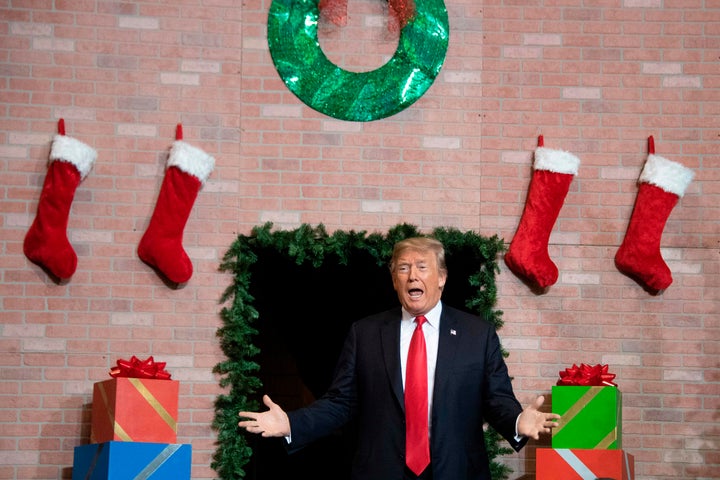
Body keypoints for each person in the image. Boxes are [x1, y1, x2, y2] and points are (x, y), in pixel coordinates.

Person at [239, 236, 561, 479]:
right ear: (394, 280)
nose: (412, 277)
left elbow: (496, 399)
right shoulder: (365, 334)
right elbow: (340, 403)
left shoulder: (477, 335)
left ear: (442, 277)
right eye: (403, 269)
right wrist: (291, 424)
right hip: (382, 471)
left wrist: (519, 420)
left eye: (422, 268)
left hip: (455, 471)